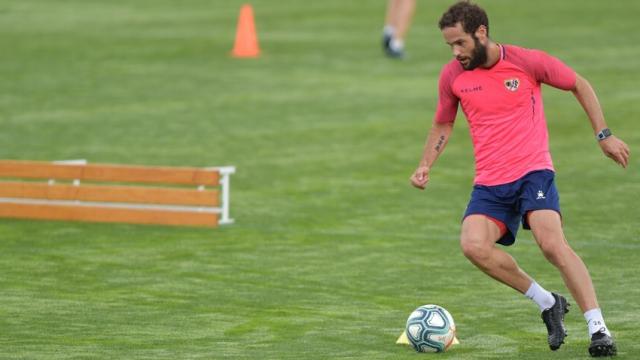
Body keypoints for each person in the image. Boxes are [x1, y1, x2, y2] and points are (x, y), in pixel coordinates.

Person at [409, 1, 630, 357]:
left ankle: (598, 328)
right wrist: (426, 164)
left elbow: (579, 84)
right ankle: (547, 302)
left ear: (481, 32)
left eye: (460, 43)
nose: (455, 52)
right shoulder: (453, 76)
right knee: (473, 245)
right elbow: (443, 122)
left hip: (533, 173)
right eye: (449, 45)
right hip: (490, 182)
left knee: (551, 243)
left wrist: (603, 135)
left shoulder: (526, 62)